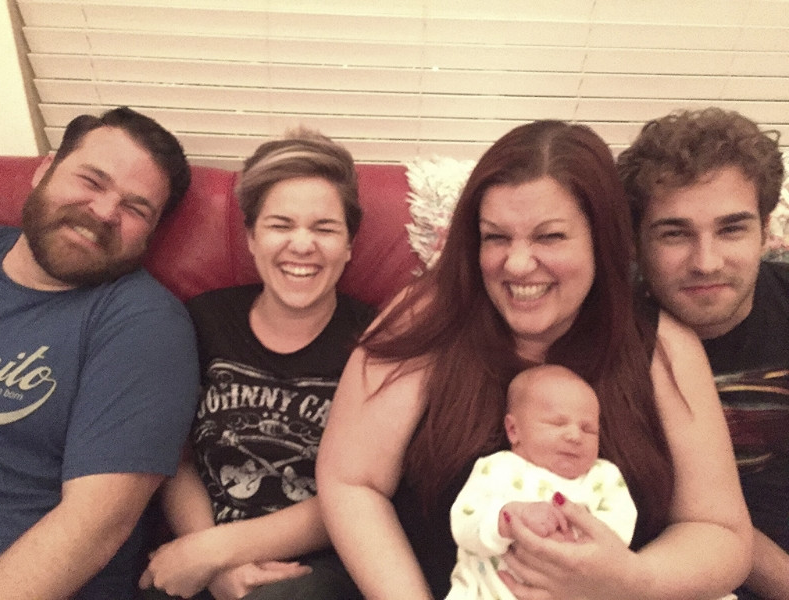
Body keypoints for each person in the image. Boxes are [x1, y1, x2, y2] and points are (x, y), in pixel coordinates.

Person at [317, 119, 753, 600]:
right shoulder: (426, 316)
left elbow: (721, 533)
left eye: (550, 237)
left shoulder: (661, 345)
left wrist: (629, 580)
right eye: (496, 237)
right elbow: (352, 482)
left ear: (600, 239)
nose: (518, 264)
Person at [139, 129, 373, 600]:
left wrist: (213, 554)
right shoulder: (202, 319)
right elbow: (173, 456)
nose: (302, 245)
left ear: (349, 244)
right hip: (198, 538)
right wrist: (208, 559)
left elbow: (362, 489)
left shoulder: (375, 340)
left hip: (315, 565)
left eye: (324, 228)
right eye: (280, 224)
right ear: (250, 237)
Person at [0, 107, 199, 599]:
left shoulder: (143, 325)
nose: (104, 211)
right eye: (91, 180)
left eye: (136, 208)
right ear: (44, 171)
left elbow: (93, 528)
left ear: (150, 234)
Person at [617, 106, 789, 600]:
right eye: (675, 233)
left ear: (765, 227)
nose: (706, 262)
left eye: (731, 228)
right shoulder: (611, 339)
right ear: (636, 242)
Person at [446, 364, 637, 600]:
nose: (575, 436)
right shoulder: (496, 468)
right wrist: (507, 518)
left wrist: (577, 545)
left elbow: (620, 528)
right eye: (557, 423)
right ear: (514, 430)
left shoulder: (603, 477)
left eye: (589, 429)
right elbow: (464, 522)